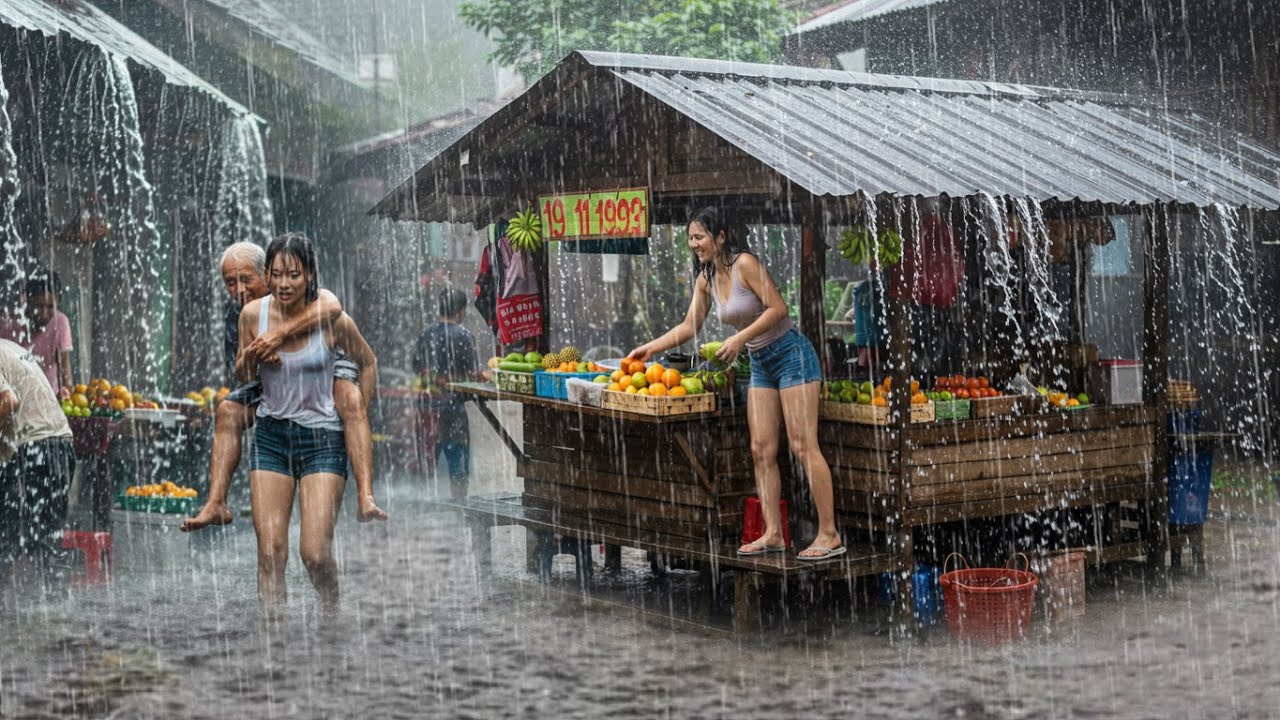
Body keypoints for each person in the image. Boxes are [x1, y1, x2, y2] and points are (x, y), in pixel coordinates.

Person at [628, 207, 843, 561]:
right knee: (761, 449)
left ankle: (829, 534)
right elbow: (689, 326)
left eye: (699, 236)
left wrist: (740, 338)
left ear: (720, 236)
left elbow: (779, 308)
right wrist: (650, 348)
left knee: (803, 445)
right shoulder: (706, 279)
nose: (694, 244)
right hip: (760, 362)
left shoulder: (745, 264)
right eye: (690, 238)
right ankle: (773, 533)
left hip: (791, 355)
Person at [181, 242, 383, 533]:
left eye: (246, 279)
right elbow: (242, 373)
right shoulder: (240, 313)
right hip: (272, 384)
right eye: (230, 282)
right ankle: (216, 502)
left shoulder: (293, 288)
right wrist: (254, 355)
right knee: (227, 410)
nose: (239, 289)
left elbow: (331, 306)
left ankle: (366, 495)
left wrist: (278, 335)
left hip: (323, 367)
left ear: (265, 275)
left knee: (350, 398)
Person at [235, 233, 384, 613]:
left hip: (323, 440)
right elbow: (243, 376)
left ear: (310, 275)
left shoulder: (332, 319)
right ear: (266, 276)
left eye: (294, 275)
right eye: (276, 274)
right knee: (270, 552)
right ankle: (273, 636)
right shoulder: (252, 316)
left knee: (314, 553)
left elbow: (368, 362)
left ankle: (331, 606)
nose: (284, 284)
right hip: (271, 436)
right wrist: (251, 356)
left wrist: (358, 412)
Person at [0, 338, 75, 588]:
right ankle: (55, 603)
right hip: (61, 445)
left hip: (34, 449)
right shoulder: (11, 348)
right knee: (47, 540)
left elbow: (9, 401)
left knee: (7, 537)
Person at [412, 287, 482, 499]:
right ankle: (460, 508)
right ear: (461, 311)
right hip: (453, 411)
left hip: (427, 409)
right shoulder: (465, 336)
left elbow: (417, 368)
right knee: (458, 466)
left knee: (426, 464)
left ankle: (424, 506)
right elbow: (471, 375)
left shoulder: (425, 335)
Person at [0, 272, 74, 398]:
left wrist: (65, 393)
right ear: (28, 301)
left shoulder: (60, 323)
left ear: (58, 303)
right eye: (38, 306)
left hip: (49, 398)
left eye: (50, 307)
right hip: (14, 399)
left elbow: (66, 376)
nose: (44, 314)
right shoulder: (8, 325)